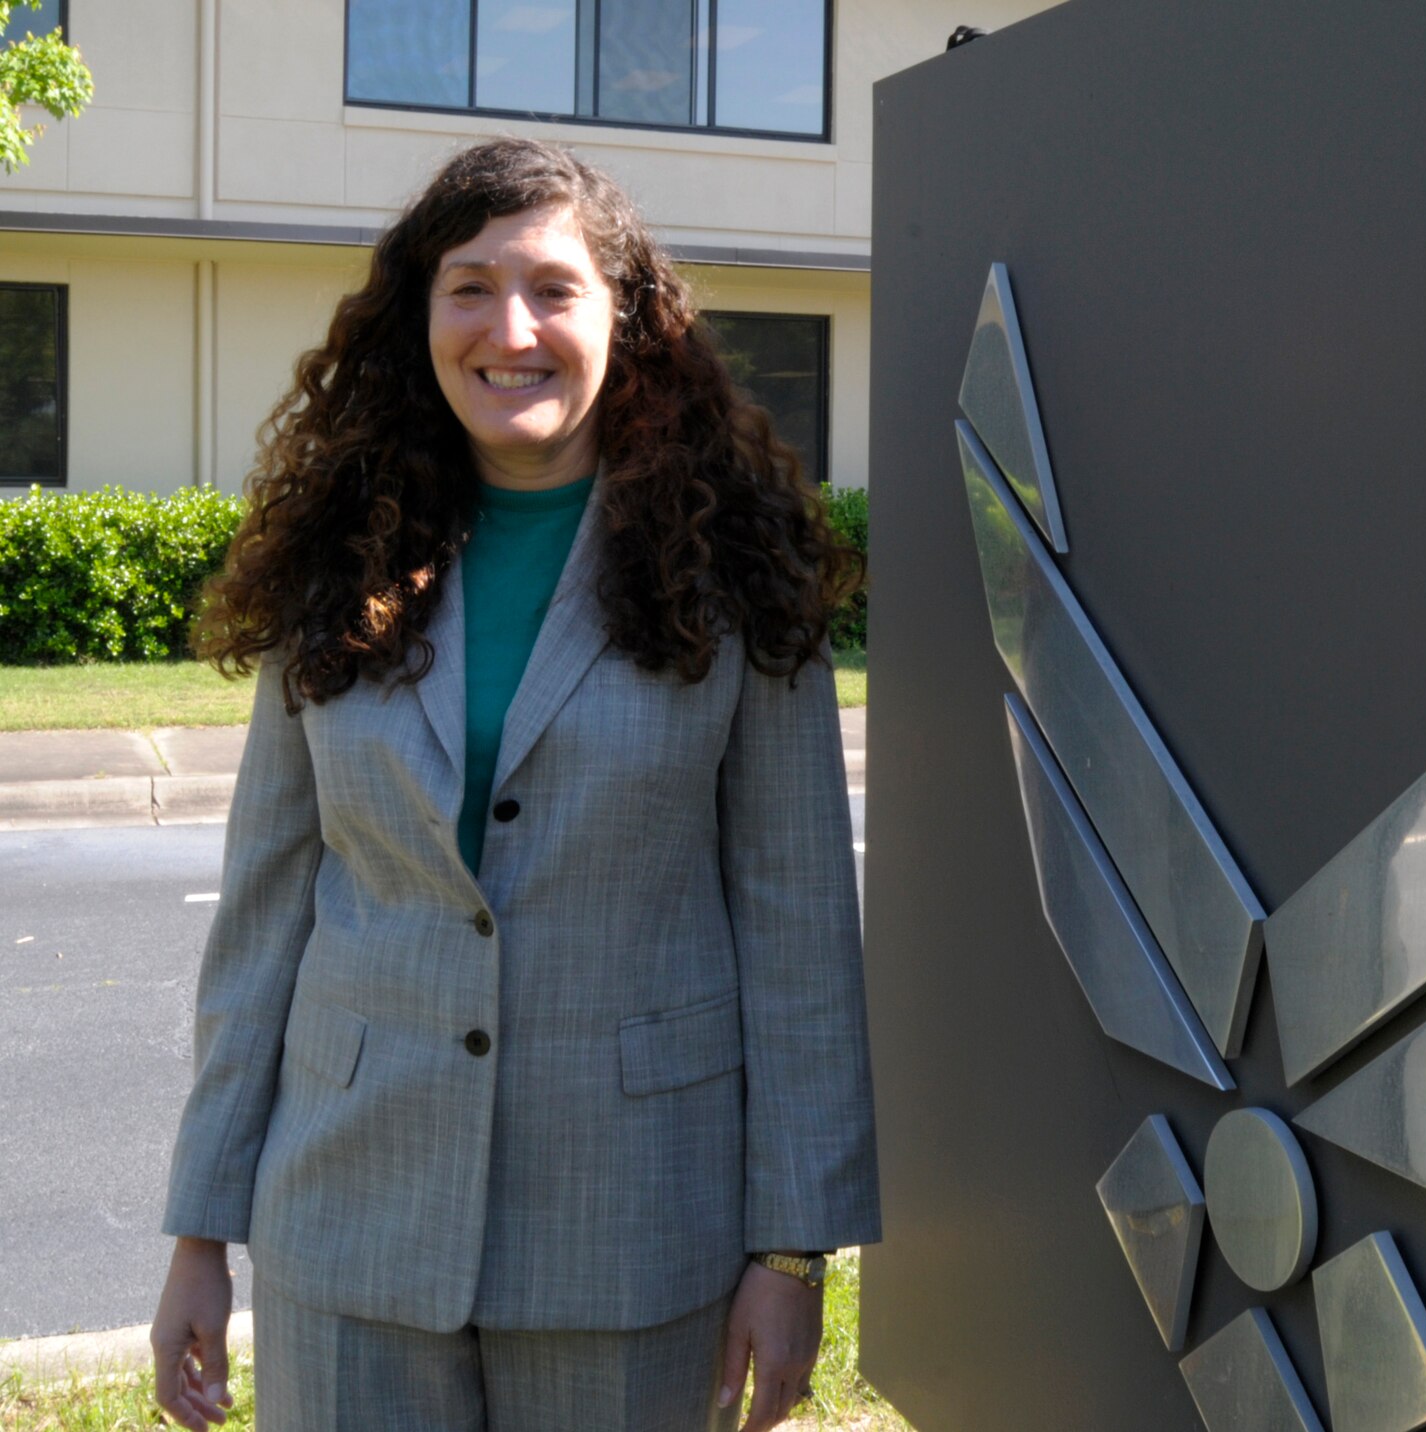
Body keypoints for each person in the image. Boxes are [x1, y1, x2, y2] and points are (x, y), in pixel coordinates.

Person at [147, 138, 878, 1432]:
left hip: (633, 1233)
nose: (511, 330)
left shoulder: (741, 579)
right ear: (421, 317)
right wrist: (200, 1228)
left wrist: (791, 1251)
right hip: (348, 1227)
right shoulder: (338, 564)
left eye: (552, 289)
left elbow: (798, 930)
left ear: (625, 319)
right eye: (471, 288)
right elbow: (263, 915)